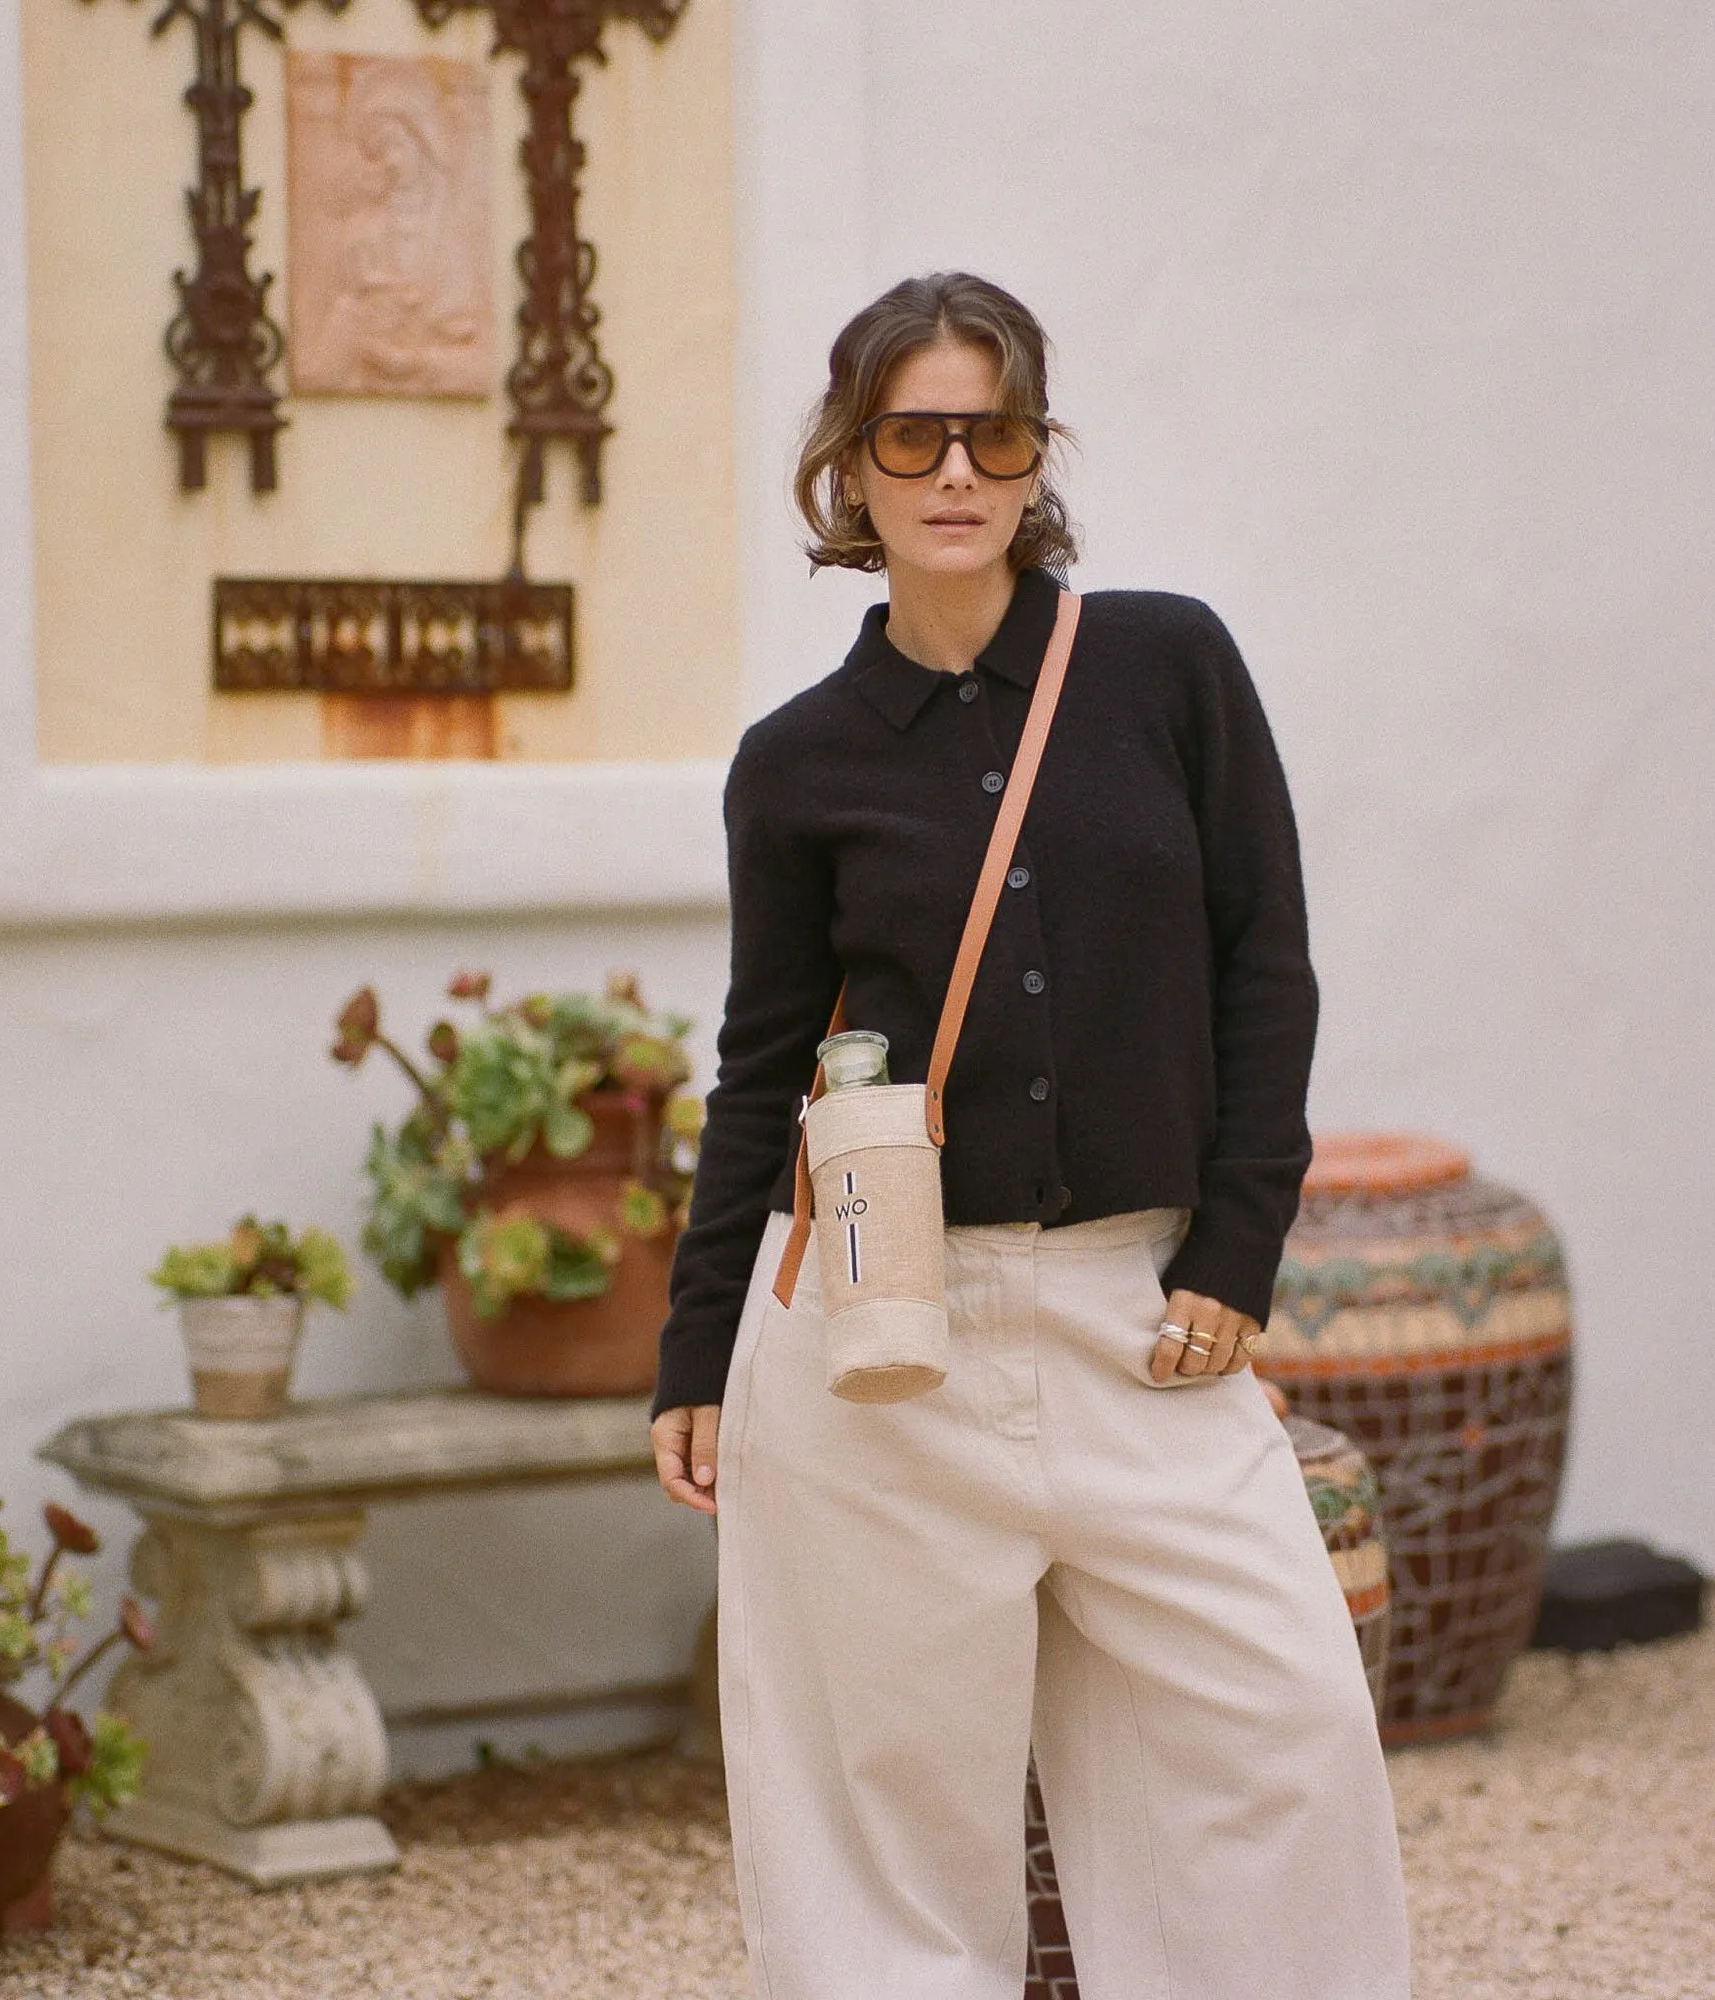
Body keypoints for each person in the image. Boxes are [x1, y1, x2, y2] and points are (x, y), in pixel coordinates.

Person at [650, 271, 1411, 2000]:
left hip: (1140, 1322)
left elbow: (1262, 961)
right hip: (877, 1343)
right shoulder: (797, 763)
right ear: (850, 465)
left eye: (992, 429)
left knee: (1276, 1734)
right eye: (911, 432)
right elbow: (763, 1061)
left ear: (1034, 451)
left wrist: (1238, 1245)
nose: (953, 469)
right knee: (888, 1824)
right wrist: (696, 1349)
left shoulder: (1167, 664)